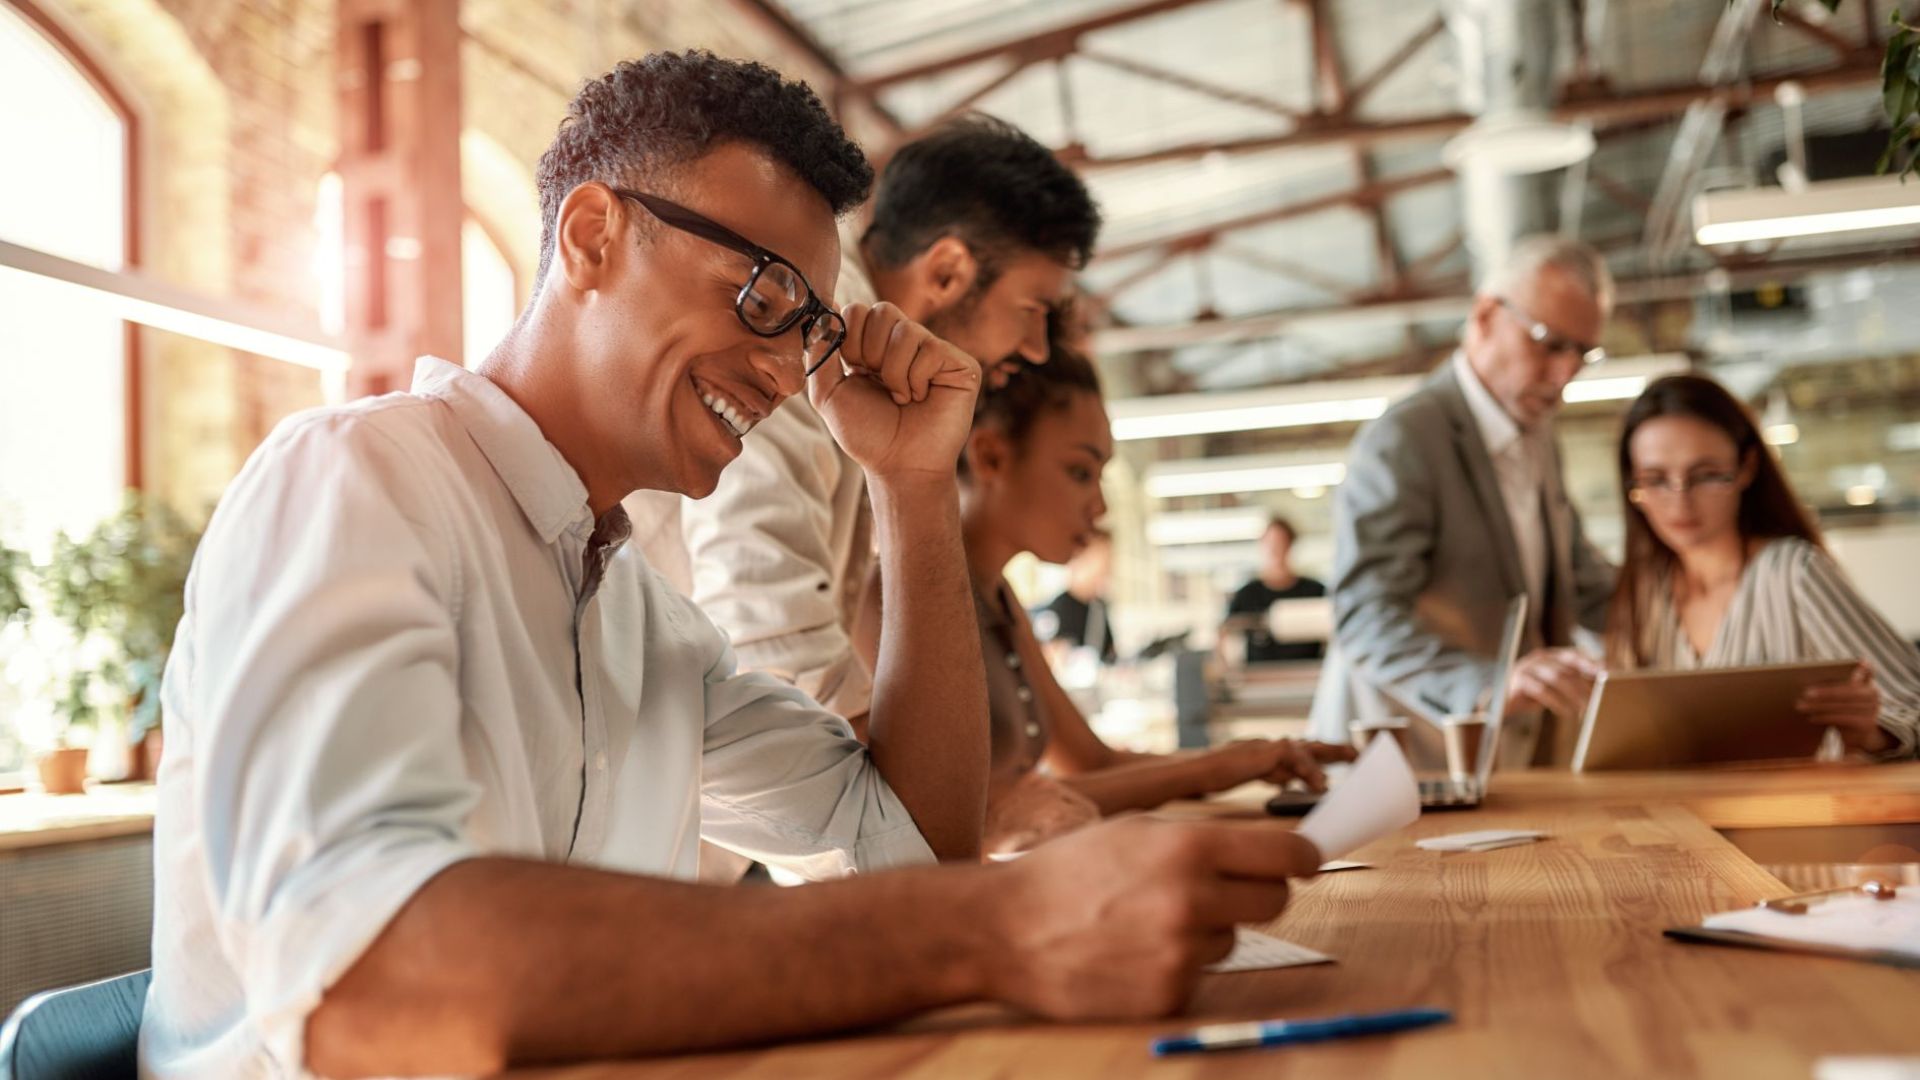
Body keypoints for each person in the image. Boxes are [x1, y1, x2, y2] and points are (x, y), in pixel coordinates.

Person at [140, 53, 1322, 1078]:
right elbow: (373, 982)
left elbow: (907, 845)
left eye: (812, 326)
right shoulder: (356, 484)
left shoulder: (638, 617)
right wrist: (992, 931)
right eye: (764, 294)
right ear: (592, 235)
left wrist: (911, 489)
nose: (788, 370)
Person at [637, 114, 1100, 738]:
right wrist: (911, 799)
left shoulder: (864, 356)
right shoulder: (812, 332)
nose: (1040, 348)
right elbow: (769, 624)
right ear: (947, 272)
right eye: (1033, 309)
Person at [952, 342, 1352, 853]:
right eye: (1079, 472)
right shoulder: (909, 598)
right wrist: (1216, 766)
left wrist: (1246, 758)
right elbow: (995, 812)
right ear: (990, 457)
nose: (1097, 507)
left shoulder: (999, 594)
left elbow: (1090, 764)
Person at [1322, 234, 1618, 767]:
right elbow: (1367, 617)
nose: (1566, 373)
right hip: (1405, 762)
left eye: (1582, 353)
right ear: (1485, 315)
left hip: (1498, 765)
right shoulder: (1405, 438)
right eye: (1550, 343)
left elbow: (1579, 579)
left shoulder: (1539, 440)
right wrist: (1489, 683)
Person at [1606, 374, 1918, 760]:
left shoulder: (1792, 573)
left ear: (1747, 468)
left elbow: (1912, 703)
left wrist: (1872, 731)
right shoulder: (1644, 592)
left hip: (1799, 814)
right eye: (1655, 480)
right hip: (1676, 817)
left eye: (1704, 476)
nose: (1679, 502)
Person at [1223, 517, 1326, 663]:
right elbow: (1226, 632)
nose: (1275, 549)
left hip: (1307, 675)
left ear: (1290, 544)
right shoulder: (1247, 595)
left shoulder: (1315, 591)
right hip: (1258, 678)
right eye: (1270, 543)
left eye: (1280, 543)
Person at [1034, 527, 1117, 664]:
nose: (1107, 568)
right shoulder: (1055, 612)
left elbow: (1109, 655)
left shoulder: (1098, 608)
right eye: (1101, 559)